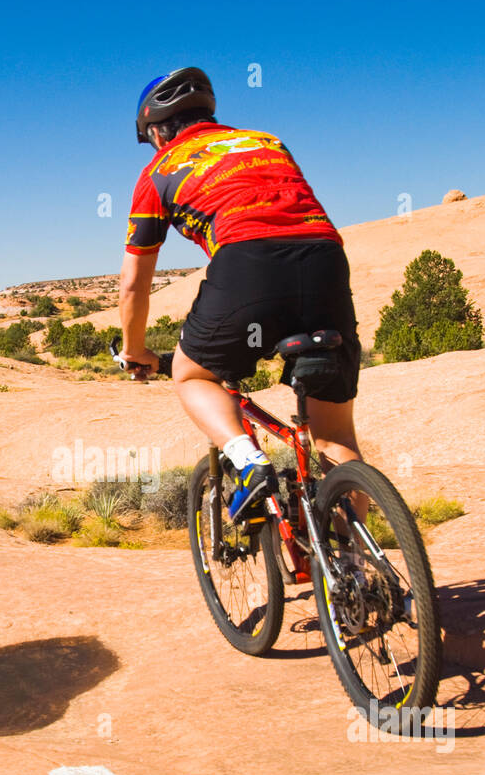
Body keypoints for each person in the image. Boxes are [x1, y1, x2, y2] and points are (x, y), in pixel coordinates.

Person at [119, 66, 363, 519]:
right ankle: (357, 571)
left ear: (155, 129)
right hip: (326, 257)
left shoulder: (158, 171)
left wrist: (135, 351)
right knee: (334, 438)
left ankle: (250, 463)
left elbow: (135, 281)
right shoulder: (267, 142)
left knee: (193, 374)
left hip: (248, 261)